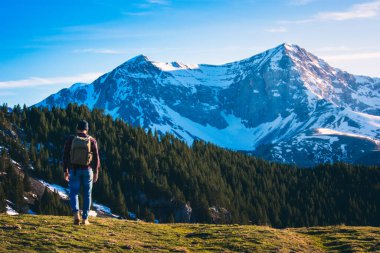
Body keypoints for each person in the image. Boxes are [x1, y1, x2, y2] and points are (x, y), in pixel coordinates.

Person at [63, 120, 100, 225]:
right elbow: (97, 157)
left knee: (73, 193)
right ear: (87, 129)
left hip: (74, 170)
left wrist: (65, 170)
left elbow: (65, 155)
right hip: (87, 171)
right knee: (87, 194)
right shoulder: (91, 140)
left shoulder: (71, 139)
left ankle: (76, 216)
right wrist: (96, 171)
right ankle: (85, 219)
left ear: (77, 128)